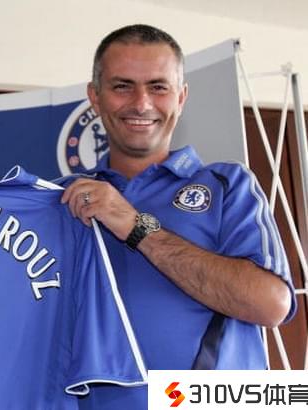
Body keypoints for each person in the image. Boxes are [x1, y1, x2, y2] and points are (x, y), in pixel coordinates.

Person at [59, 24, 295, 409]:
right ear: (95, 97)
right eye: (122, 86)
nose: (142, 103)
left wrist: (137, 227)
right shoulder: (60, 199)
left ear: (181, 97)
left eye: (158, 87)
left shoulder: (228, 184)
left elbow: (271, 305)